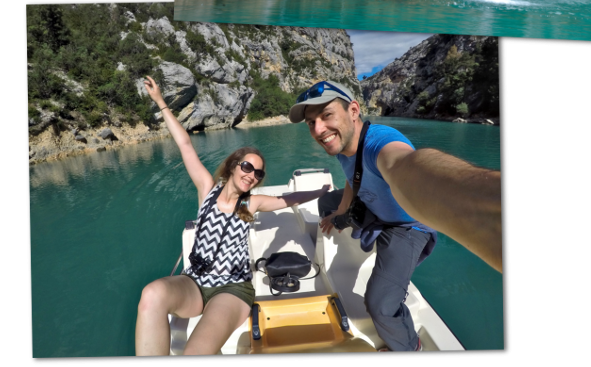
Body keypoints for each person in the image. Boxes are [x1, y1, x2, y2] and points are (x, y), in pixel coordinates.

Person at [289, 80, 502, 352]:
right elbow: (352, 180)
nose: (318, 129)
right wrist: (340, 213)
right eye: (311, 122)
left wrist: (477, 198)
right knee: (325, 203)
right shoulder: (343, 145)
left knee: (380, 305)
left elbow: (405, 165)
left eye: (327, 115)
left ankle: (410, 345)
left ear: (353, 110)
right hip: (374, 208)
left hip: (406, 227)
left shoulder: (380, 142)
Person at [136, 75, 331, 356]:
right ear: (232, 166)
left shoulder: (251, 204)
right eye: (247, 167)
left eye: (259, 173)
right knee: (151, 295)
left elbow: (287, 199)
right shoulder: (206, 190)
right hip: (195, 282)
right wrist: (160, 102)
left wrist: (320, 191)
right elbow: (185, 146)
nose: (252, 175)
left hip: (232, 289)